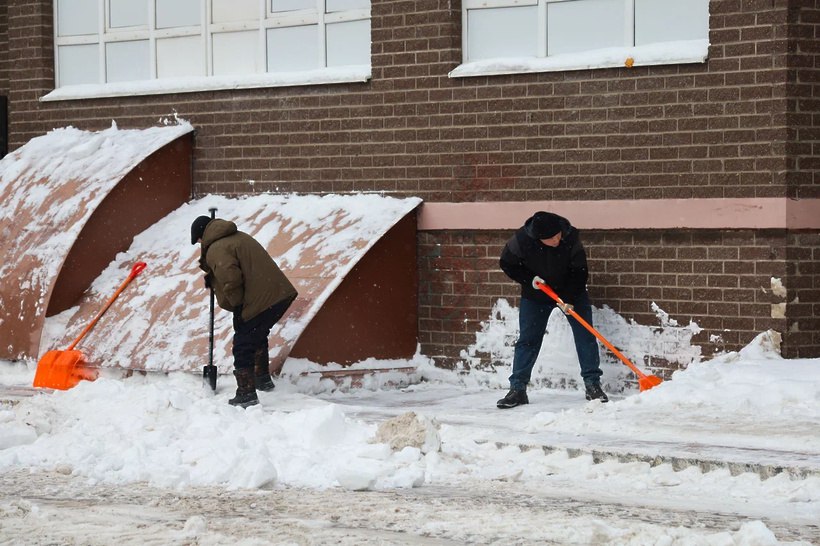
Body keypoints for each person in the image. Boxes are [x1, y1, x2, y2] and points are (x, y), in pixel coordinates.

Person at [497, 211, 608, 408]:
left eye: (558, 235)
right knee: (528, 340)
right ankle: (518, 389)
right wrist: (529, 279)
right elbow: (507, 263)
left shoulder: (570, 236)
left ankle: (593, 384)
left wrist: (570, 298)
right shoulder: (521, 240)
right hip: (537, 293)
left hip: (571, 292)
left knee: (585, 336)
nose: (557, 240)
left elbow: (580, 270)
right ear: (538, 238)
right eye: (551, 238)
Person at [191, 215, 297, 408]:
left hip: (261, 298)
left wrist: (238, 305)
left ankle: (246, 393)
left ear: (202, 235)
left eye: (198, 241)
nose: (200, 245)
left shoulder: (216, 247)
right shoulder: (237, 237)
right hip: (278, 294)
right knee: (256, 334)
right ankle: (262, 379)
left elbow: (231, 279)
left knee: (243, 344)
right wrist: (213, 278)